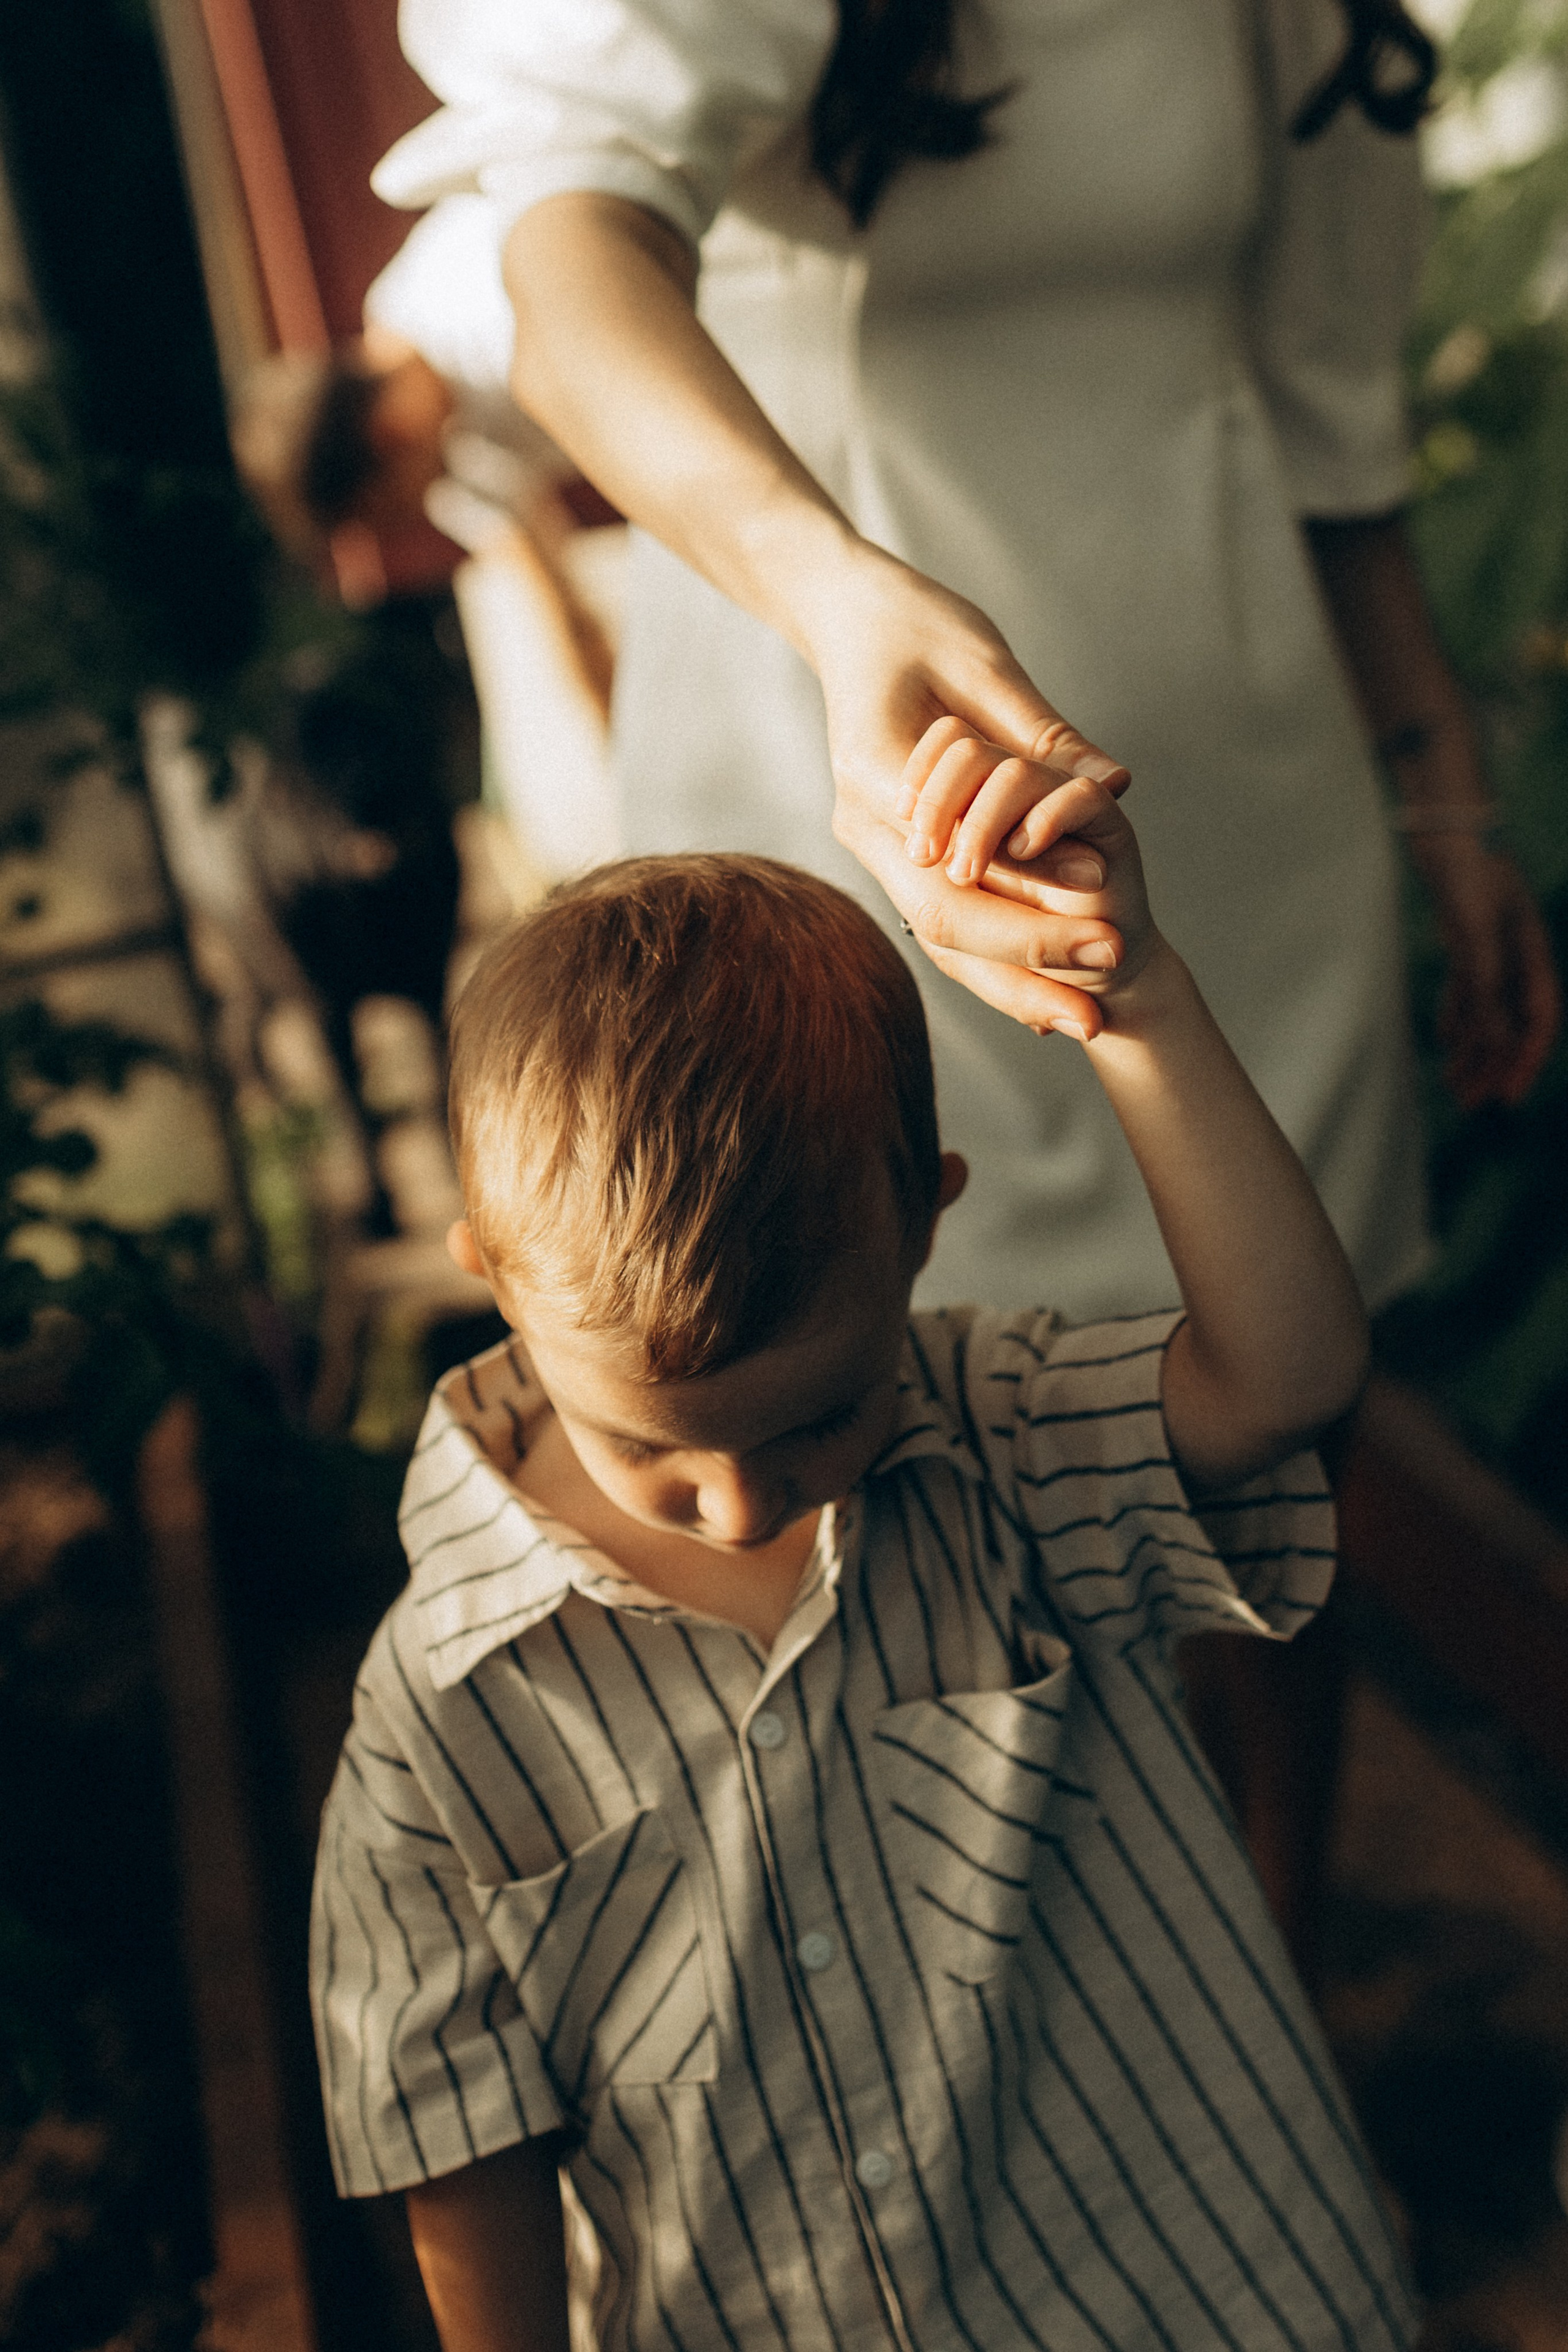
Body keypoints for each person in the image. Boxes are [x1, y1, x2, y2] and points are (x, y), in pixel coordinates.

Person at [311, 751, 1414, 2352]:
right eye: (651, 1448)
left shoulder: (1001, 1440)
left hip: (1212, 2298)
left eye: (817, 1420)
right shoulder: (440, 1713)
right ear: (493, 1277)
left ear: (924, 1223)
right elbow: (462, 2142)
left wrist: (1134, 1000)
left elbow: (1290, 1378)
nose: (741, 1505)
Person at [366, 0, 1559, 1323]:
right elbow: (574, 286)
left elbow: (1329, 443)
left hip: (1250, 848)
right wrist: (833, 593)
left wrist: (1447, 797)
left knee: (1297, 1361)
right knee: (894, 1371)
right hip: (883, 834)